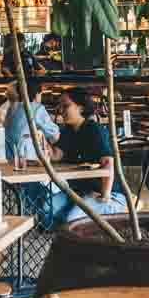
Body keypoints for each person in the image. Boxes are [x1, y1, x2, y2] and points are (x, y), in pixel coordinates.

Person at [46, 88, 128, 223]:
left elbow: (108, 162)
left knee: (71, 219)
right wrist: (43, 143)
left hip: (108, 193)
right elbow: (56, 155)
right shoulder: (67, 130)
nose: (60, 110)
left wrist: (105, 196)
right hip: (81, 192)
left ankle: (109, 211)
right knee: (46, 210)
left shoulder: (93, 129)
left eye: (65, 105)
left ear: (81, 108)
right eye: (59, 105)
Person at [5, 78, 61, 164]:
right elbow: (54, 134)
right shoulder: (37, 108)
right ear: (37, 94)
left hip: (11, 158)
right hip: (29, 159)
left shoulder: (11, 110)